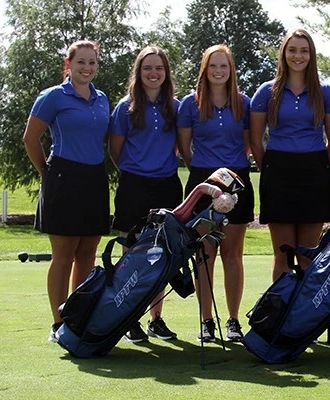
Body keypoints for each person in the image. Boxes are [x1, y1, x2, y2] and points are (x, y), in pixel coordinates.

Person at [22, 40, 110, 342]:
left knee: (87, 253)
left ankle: (78, 318)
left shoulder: (102, 98)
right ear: (68, 64)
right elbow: (30, 139)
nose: (87, 68)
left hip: (95, 178)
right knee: (64, 255)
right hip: (63, 176)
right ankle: (59, 323)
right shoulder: (53, 97)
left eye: (92, 62)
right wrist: (46, 172)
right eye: (81, 62)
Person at [250, 29, 330, 281]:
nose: (297, 56)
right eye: (292, 50)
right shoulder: (266, 91)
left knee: (307, 256)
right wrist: (271, 169)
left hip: (314, 173)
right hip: (278, 173)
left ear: (311, 55)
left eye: (304, 51)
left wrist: (317, 166)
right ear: (283, 53)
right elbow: (255, 142)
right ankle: (280, 306)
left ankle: (304, 307)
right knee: (283, 254)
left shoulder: (325, 92)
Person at [177, 45, 254, 343]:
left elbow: (247, 143)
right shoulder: (190, 104)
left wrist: (228, 175)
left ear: (231, 70)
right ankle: (207, 321)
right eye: (213, 66)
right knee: (205, 255)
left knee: (232, 254)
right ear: (204, 70)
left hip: (236, 181)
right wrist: (204, 175)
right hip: (203, 182)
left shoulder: (243, 103)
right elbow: (184, 147)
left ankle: (233, 321)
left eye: (224, 66)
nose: (218, 71)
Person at [108, 46, 182, 343]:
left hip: (167, 185)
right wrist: (136, 170)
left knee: (161, 253)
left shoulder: (175, 107)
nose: (153, 73)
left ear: (166, 73)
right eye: (147, 68)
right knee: (131, 253)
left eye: (159, 68)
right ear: (138, 72)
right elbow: (115, 150)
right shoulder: (125, 107)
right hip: (133, 185)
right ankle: (129, 318)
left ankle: (156, 319)